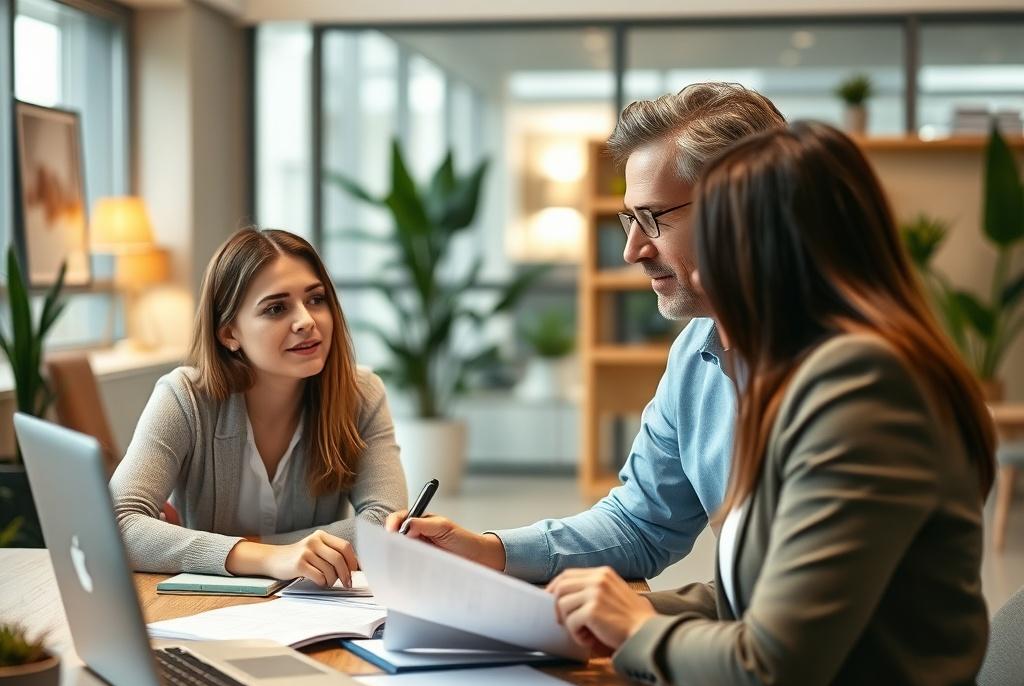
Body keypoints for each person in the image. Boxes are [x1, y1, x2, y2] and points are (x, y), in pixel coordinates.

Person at [545, 121, 998, 686]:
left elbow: (772, 671)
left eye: (712, 240)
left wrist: (636, 624)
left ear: (775, 249)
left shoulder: (864, 389)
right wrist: (596, 610)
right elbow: (758, 597)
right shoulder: (788, 377)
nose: (685, 264)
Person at [388, 82, 785, 581]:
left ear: (735, 210)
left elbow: (794, 599)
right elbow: (641, 524)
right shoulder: (694, 353)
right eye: (629, 219)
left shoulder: (842, 368)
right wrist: (487, 551)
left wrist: (641, 617)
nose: (632, 250)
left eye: (652, 218)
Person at [112, 227, 407, 585]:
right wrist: (270, 557)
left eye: (316, 299)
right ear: (229, 333)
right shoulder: (184, 397)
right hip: (202, 605)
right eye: (276, 308)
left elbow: (387, 524)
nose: (306, 321)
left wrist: (259, 548)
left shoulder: (362, 394)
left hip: (312, 606)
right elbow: (117, 524)